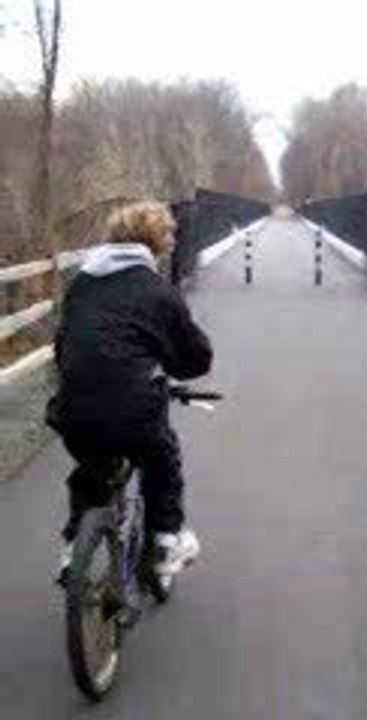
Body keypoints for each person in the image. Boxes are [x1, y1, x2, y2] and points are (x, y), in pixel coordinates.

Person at [47, 200, 212, 581]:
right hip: (133, 410)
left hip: (73, 408)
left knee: (92, 468)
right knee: (161, 458)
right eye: (169, 235)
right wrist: (176, 367)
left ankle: (75, 550)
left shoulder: (82, 283)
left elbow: (63, 343)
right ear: (156, 242)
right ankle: (167, 539)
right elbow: (194, 355)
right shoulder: (157, 289)